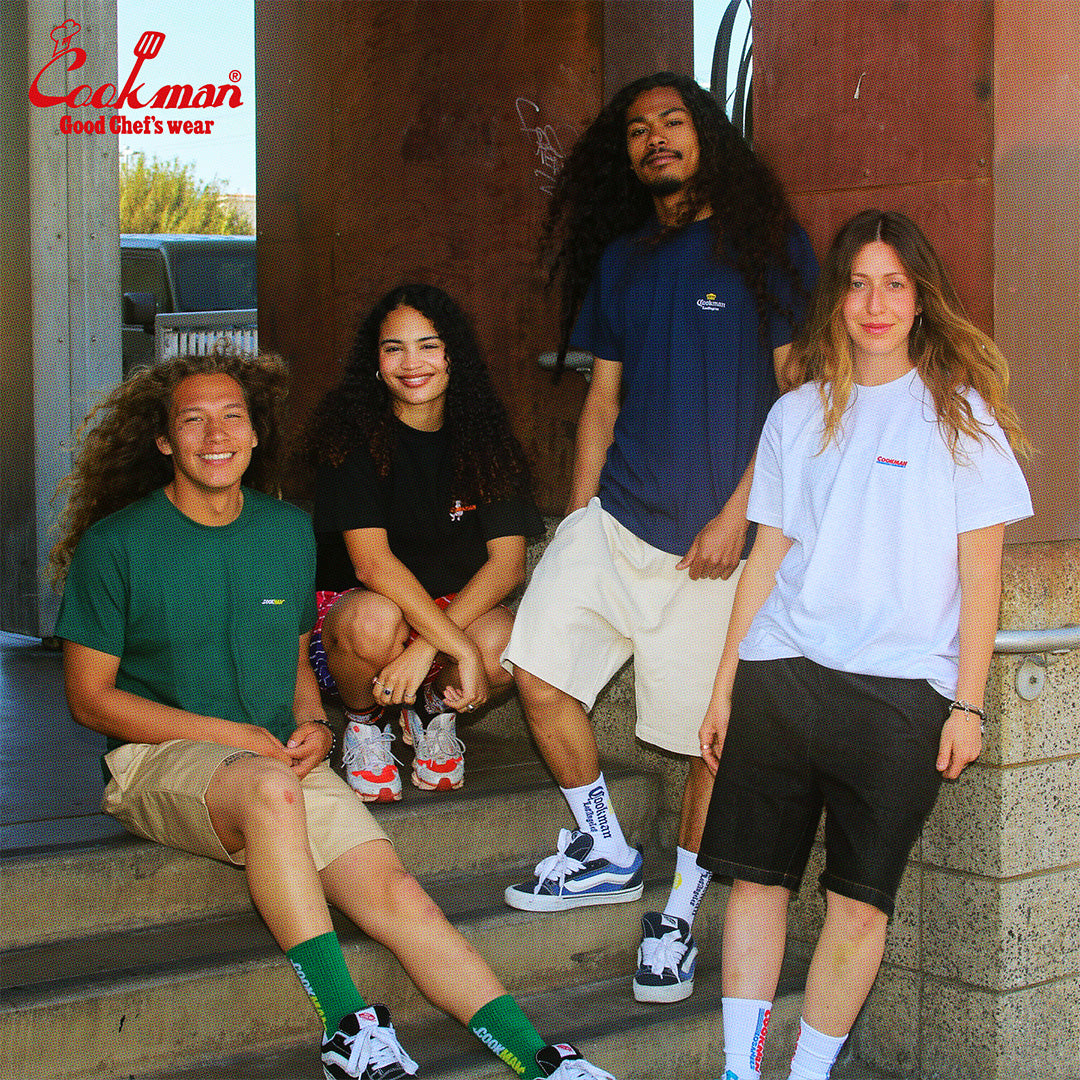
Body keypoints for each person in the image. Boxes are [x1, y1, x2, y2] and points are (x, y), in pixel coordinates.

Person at [50, 352, 614, 1080]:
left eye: (232, 418)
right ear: (164, 440)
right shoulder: (116, 545)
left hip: (275, 757)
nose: (216, 435)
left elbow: (292, 661)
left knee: (397, 893)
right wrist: (235, 738)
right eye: (193, 420)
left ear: (256, 433)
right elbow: (90, 698)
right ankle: (348, 1029)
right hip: (157, 758)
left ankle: (538, 1058)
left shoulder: (286, 531)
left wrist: (315, 721)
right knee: (270, 791)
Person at [500, 70, 819, 1005]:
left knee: (706, 744)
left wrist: (739, 516)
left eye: (672, 122)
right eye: (638, 130)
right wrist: (577, 520)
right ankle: (603, 846)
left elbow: (798, 402)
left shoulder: (767, 246)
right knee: (536, 671)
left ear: (705, 134)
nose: (655, 139)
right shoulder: (624, 260)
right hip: (615, 520)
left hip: (714, 552)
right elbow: (601, 402)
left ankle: (676, 915)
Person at [696, 209, 1032, 1080]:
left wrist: (968, 704)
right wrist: (725, 683)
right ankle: (740, 1070)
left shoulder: (962, 420)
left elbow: (982, 578)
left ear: (921, 298)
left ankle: (809, 1073)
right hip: (781, 674)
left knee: (858, 905)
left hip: (899, 696)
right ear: (836, 299)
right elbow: (767, 555)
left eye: (894, 285)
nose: (875, 305)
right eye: (857, 285)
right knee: (756, 883)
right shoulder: (794, 415)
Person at [305, 284, 544, 801]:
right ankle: (365, 724)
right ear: (374, 362)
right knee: (375, 621)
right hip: (360, 617)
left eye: (428, 345)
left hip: (444, 613)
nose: (411, 363)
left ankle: (432, 713)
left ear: (454, 356)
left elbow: (507, 567)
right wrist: (449, 644)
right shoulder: (351, 439)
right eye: (394, 348)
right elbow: (372, 565)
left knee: (507, 646)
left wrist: (431, 646)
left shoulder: (487, 440)